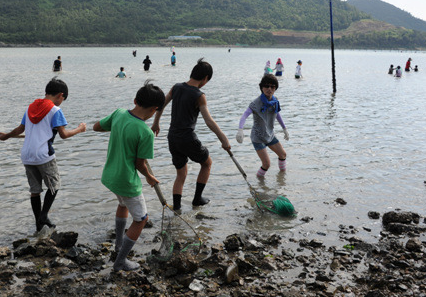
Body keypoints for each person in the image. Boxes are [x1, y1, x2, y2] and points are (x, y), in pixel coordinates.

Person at [0, 78, 87, 232]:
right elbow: (63, 134)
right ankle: (44, 216)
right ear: (60, 95)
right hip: (44, 154)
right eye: (63, 99)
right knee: (54, 186)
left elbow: (20, 129)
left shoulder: (30, 107)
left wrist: (6, 136)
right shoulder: (55, 110)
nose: (61, 103)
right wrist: (80, 129)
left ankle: (39, 224)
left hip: (27, 155)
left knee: (35, 190)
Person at [93, 81, 165, 272]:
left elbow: (96, 127)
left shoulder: (119, 113)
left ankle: (118, 245)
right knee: (141, 219)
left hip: (110, 176)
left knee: (123, 204)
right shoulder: (145, 132)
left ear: (135, 100)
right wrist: (149, 177)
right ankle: (120, 261)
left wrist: (116, 129)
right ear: (155, 109)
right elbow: (139, 164)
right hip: (126, 181)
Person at [151, 58, 231, 210]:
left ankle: (177, 208)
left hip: (172, 137)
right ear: (206, 78)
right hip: (187, 137)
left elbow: (160, 106)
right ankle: (197, 199)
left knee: (181, 174)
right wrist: (224, 139)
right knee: (207, 163)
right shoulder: (199, 95)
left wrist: (156, 123)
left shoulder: (176, 87)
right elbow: (209, 121)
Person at [235, 74, 289, 177]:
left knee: (283, 154)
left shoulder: (275, 100)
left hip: (270, 134)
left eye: (272, 87)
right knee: (266, 164)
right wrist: (240, 130)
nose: (269, 89)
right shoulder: (256, 103)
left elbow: (277, 114)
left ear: (275, 88)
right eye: (266, 86)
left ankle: (282, 179)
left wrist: (284, 129)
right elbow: (244, 116)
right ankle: (259, 182)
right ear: (261, 87)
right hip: (258, 137)